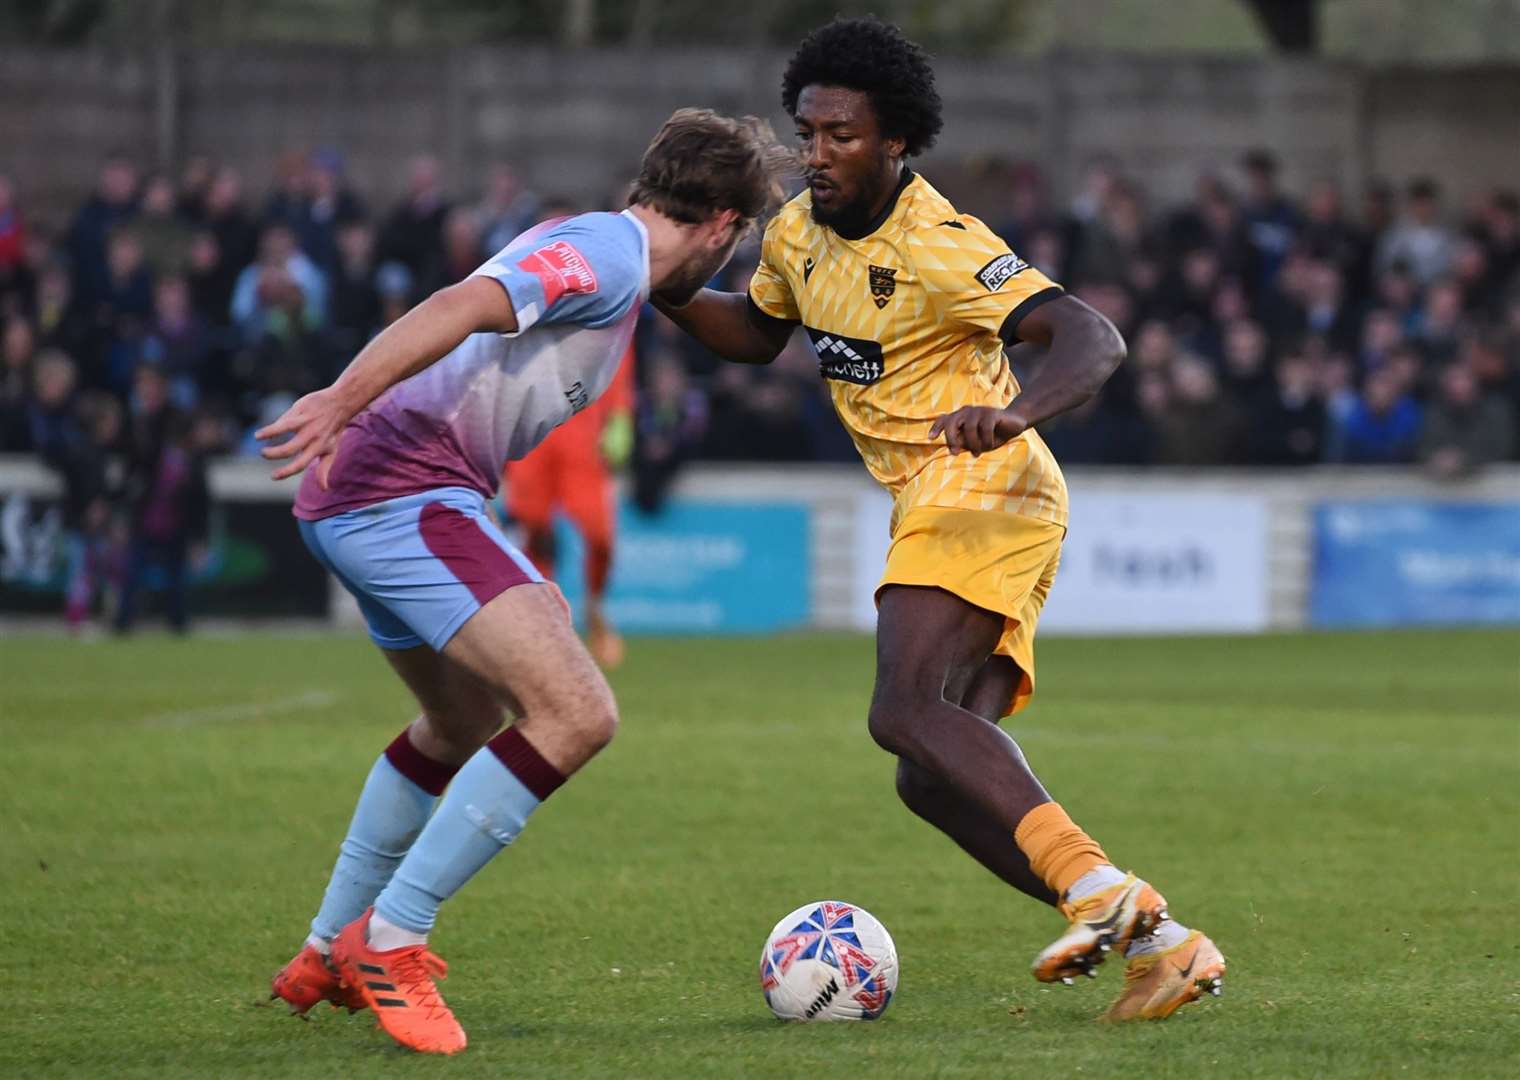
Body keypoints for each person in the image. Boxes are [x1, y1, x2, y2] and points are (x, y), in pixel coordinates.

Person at [654, 16, 1224, 1022]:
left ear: (895, 141)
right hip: (943, 497)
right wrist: (663, 287)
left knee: (901, 711)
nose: (817, 153)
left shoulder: (941, 243)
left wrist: (1013, 407)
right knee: (927, 775)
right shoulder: (792, 233)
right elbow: (752, 334)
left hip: (985, 482)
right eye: (808, 130)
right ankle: (1161, 946)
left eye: (841, 134)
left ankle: (1101, 894)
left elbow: (1089, 338)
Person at [257, 108, 789, 1055]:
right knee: (578, 711)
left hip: (379, 499)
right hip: (404, 490)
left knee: (461, 723)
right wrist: (341, 397)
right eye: (741, 238)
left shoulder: (610, 259)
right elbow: (459, 304)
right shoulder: (612, 256)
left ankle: (323, 950)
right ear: (721, 224)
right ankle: (391, 938)